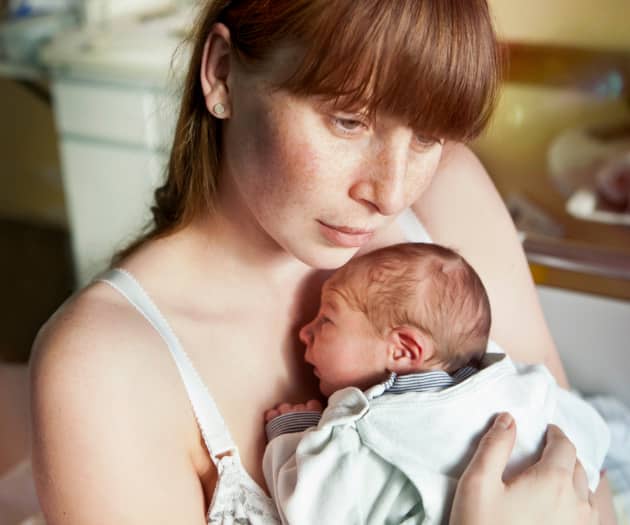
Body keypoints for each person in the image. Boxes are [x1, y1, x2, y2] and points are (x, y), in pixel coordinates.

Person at [28, 1, 615, 524]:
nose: (390, 193)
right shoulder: (104, 366)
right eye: (349, 121)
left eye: (427, 136)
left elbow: (588, 477)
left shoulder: (446, 196)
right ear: (222, 72)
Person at [262, 242, 610, 524]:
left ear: (402, 349)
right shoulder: (518, 381)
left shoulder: (376, 430)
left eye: (327, 319)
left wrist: (295, 434)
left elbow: (313, 507)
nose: (304, 331)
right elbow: (589, 431)